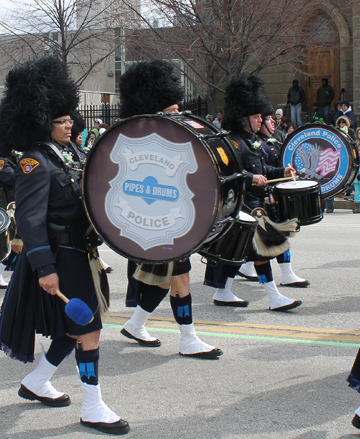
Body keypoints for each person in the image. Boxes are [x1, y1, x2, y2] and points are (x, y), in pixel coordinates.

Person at [0, 57, 129, 435]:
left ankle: (38, 380)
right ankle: (93, 406)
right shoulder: (34, 163)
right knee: (89, 330)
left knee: (75, 328)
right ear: (42, 123)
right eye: (61, 120)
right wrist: (44, 268)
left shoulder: (71, 154)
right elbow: (31, 221)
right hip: (61, 257)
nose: (70, 123)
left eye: (70, 117)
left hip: (83, 253)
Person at [118, 60, 222, 358]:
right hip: (153, 223)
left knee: (165, 280)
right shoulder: (135, 142)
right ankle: (189, 339)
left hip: (173, 220)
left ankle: (135, 324)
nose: (178, 114)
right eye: (171, 111)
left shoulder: (175, 141)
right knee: (180, 277)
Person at [204, 76, 302, 311]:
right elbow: (221, 173)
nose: (261, 120)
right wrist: (250, 178)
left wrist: (282, 170)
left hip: (254, 203)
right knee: (263, 250)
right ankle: (274, 297)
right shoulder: (233, 142)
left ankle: (223, 291)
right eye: (257, 116)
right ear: (243, 118)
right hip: (243, 206)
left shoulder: (252, 141)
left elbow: (263, 169)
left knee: (237, 251)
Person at [256, 109, 310, 288]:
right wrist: (266, 193)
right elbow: (261, 172)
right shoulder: (256, 143)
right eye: (268, 120)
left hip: (276, 193)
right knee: (274, 237)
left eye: (272, 120)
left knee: (280, 235)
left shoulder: (276, 140)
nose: (272, 123)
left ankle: (285, 273)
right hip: (265, 195)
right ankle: (225, 287)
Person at [0, 105, 22, 289]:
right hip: (10, 207)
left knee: (21, 244)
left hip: (18, 204)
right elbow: (13, 178)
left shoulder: (12, 157)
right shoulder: (0, 160)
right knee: (18, 243)